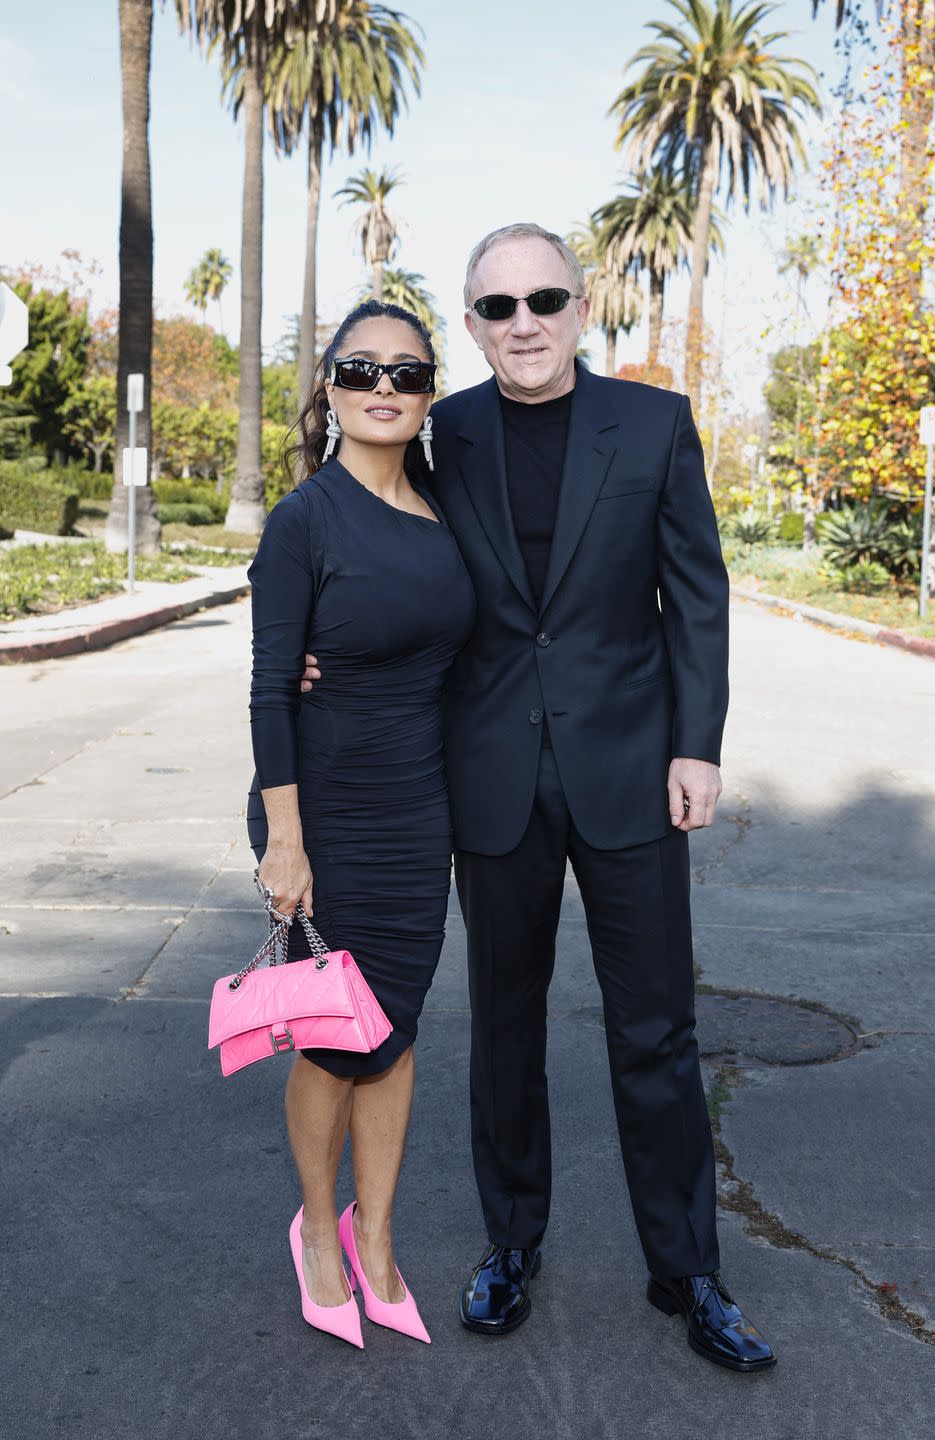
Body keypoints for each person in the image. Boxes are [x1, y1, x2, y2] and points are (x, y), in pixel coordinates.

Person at [300, 223, 776, 1372]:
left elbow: (696, 596)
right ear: (470, 325)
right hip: (488, 779)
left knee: (655, 1032)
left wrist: (696, 745)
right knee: (504, 1029)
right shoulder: (442, 431)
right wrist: (319, 649)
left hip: (629, 772)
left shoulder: (654, 424)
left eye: (545, 300)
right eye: (499, 307)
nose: (524, 324)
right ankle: (512, 1244)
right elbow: (367, 542)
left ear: (580, 307)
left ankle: (689, 1270)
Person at [247, 300, 476, 1349]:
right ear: (330, 388)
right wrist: (284, 840)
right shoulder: (306, 519)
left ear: (429, 393)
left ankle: (375, 1234)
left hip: (420, 802)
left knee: (397, 1030)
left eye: (408, 372)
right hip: (329, 807)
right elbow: (266, 688)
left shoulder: (445, 508)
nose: (384, 386)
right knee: (337, 1038)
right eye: (360, 369)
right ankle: (319, 1238)